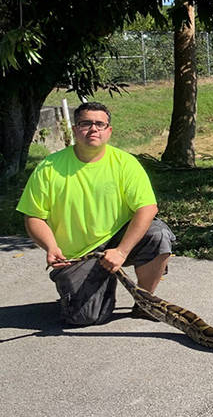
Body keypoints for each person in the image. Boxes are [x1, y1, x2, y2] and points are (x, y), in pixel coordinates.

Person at [17, 101, 175, 325]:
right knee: (86, 318)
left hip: (117, 242)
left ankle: (145, 303)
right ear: (74, 129)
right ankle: (86, 288)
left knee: (158, 234)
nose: (93, 129)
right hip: (78, 255)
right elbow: (33, 216)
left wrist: (121, 251)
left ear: (109, 130)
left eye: (100, 124)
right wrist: (50, 247)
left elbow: (147, 208)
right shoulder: (49, 167)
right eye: (85, 123)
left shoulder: (125, 163)